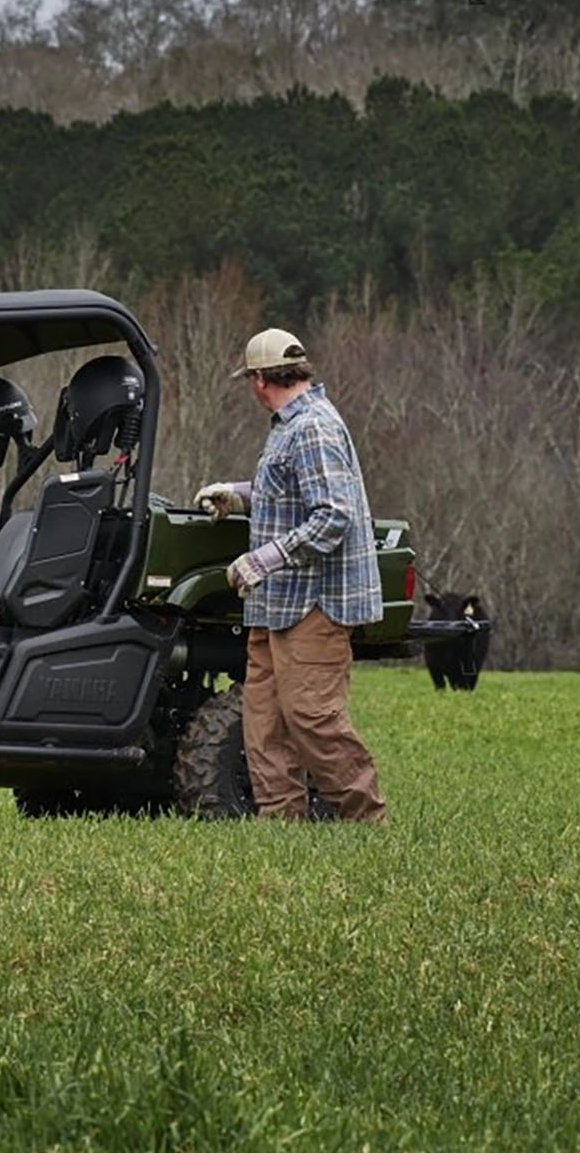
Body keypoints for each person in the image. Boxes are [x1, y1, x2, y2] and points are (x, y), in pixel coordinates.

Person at [194, 329, 387, 823]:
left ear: (260, 380)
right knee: (264, 722)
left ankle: (367, 819)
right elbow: (286, 494)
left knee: (312, 718)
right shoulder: (288, 424)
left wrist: (261, 561)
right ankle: (280, 824)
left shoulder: (314, 428)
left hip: (313, 604)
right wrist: (236, 496)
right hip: (276, 604)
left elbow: (332, 516)